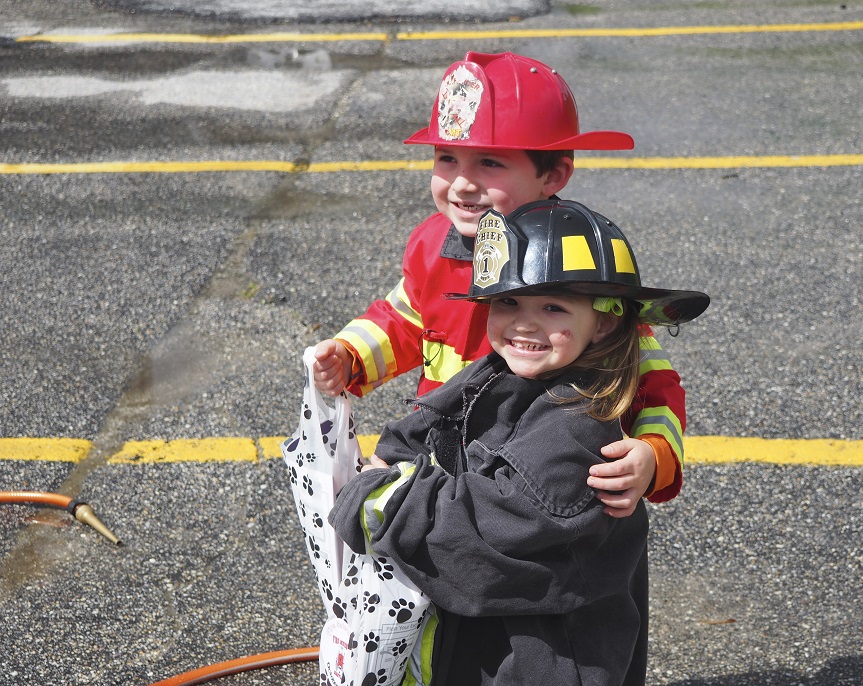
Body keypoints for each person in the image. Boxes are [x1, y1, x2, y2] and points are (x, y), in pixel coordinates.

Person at [329, 199, 710, 686]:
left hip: (539, 660)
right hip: (479, 639)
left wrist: (381, 498)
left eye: (553, 307)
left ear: (606, 322)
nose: (524, 324)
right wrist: (392, 458)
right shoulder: (497, 371)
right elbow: (430, 422)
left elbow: (485, 531)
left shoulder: (579, 430)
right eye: (507, 302)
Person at [314, 51, 684, 516]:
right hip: (440, 447)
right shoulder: (432, 244)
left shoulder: (577, 256)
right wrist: (351, 355)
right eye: (447, 158)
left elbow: (647, 372)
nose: (463, 184)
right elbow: (406, 318)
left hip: (532, 471)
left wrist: (654, 454)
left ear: (553, 174)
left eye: (489, 162)